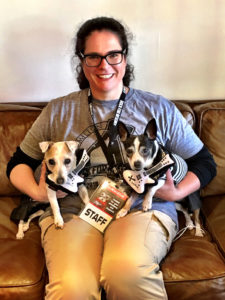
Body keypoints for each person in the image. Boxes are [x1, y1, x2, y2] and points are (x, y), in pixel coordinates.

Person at [7, 16, 216, 300]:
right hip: (72, 210)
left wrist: (177, 190)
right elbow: (17, 163)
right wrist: (38, 192)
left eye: (113, 55)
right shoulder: (58, 111)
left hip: (140, 208)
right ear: (82, 62)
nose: (104, 65)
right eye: (93, 56)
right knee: (72, 287)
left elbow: (204, 162)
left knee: (126, 273)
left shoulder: (158, 108)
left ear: (125, 59)